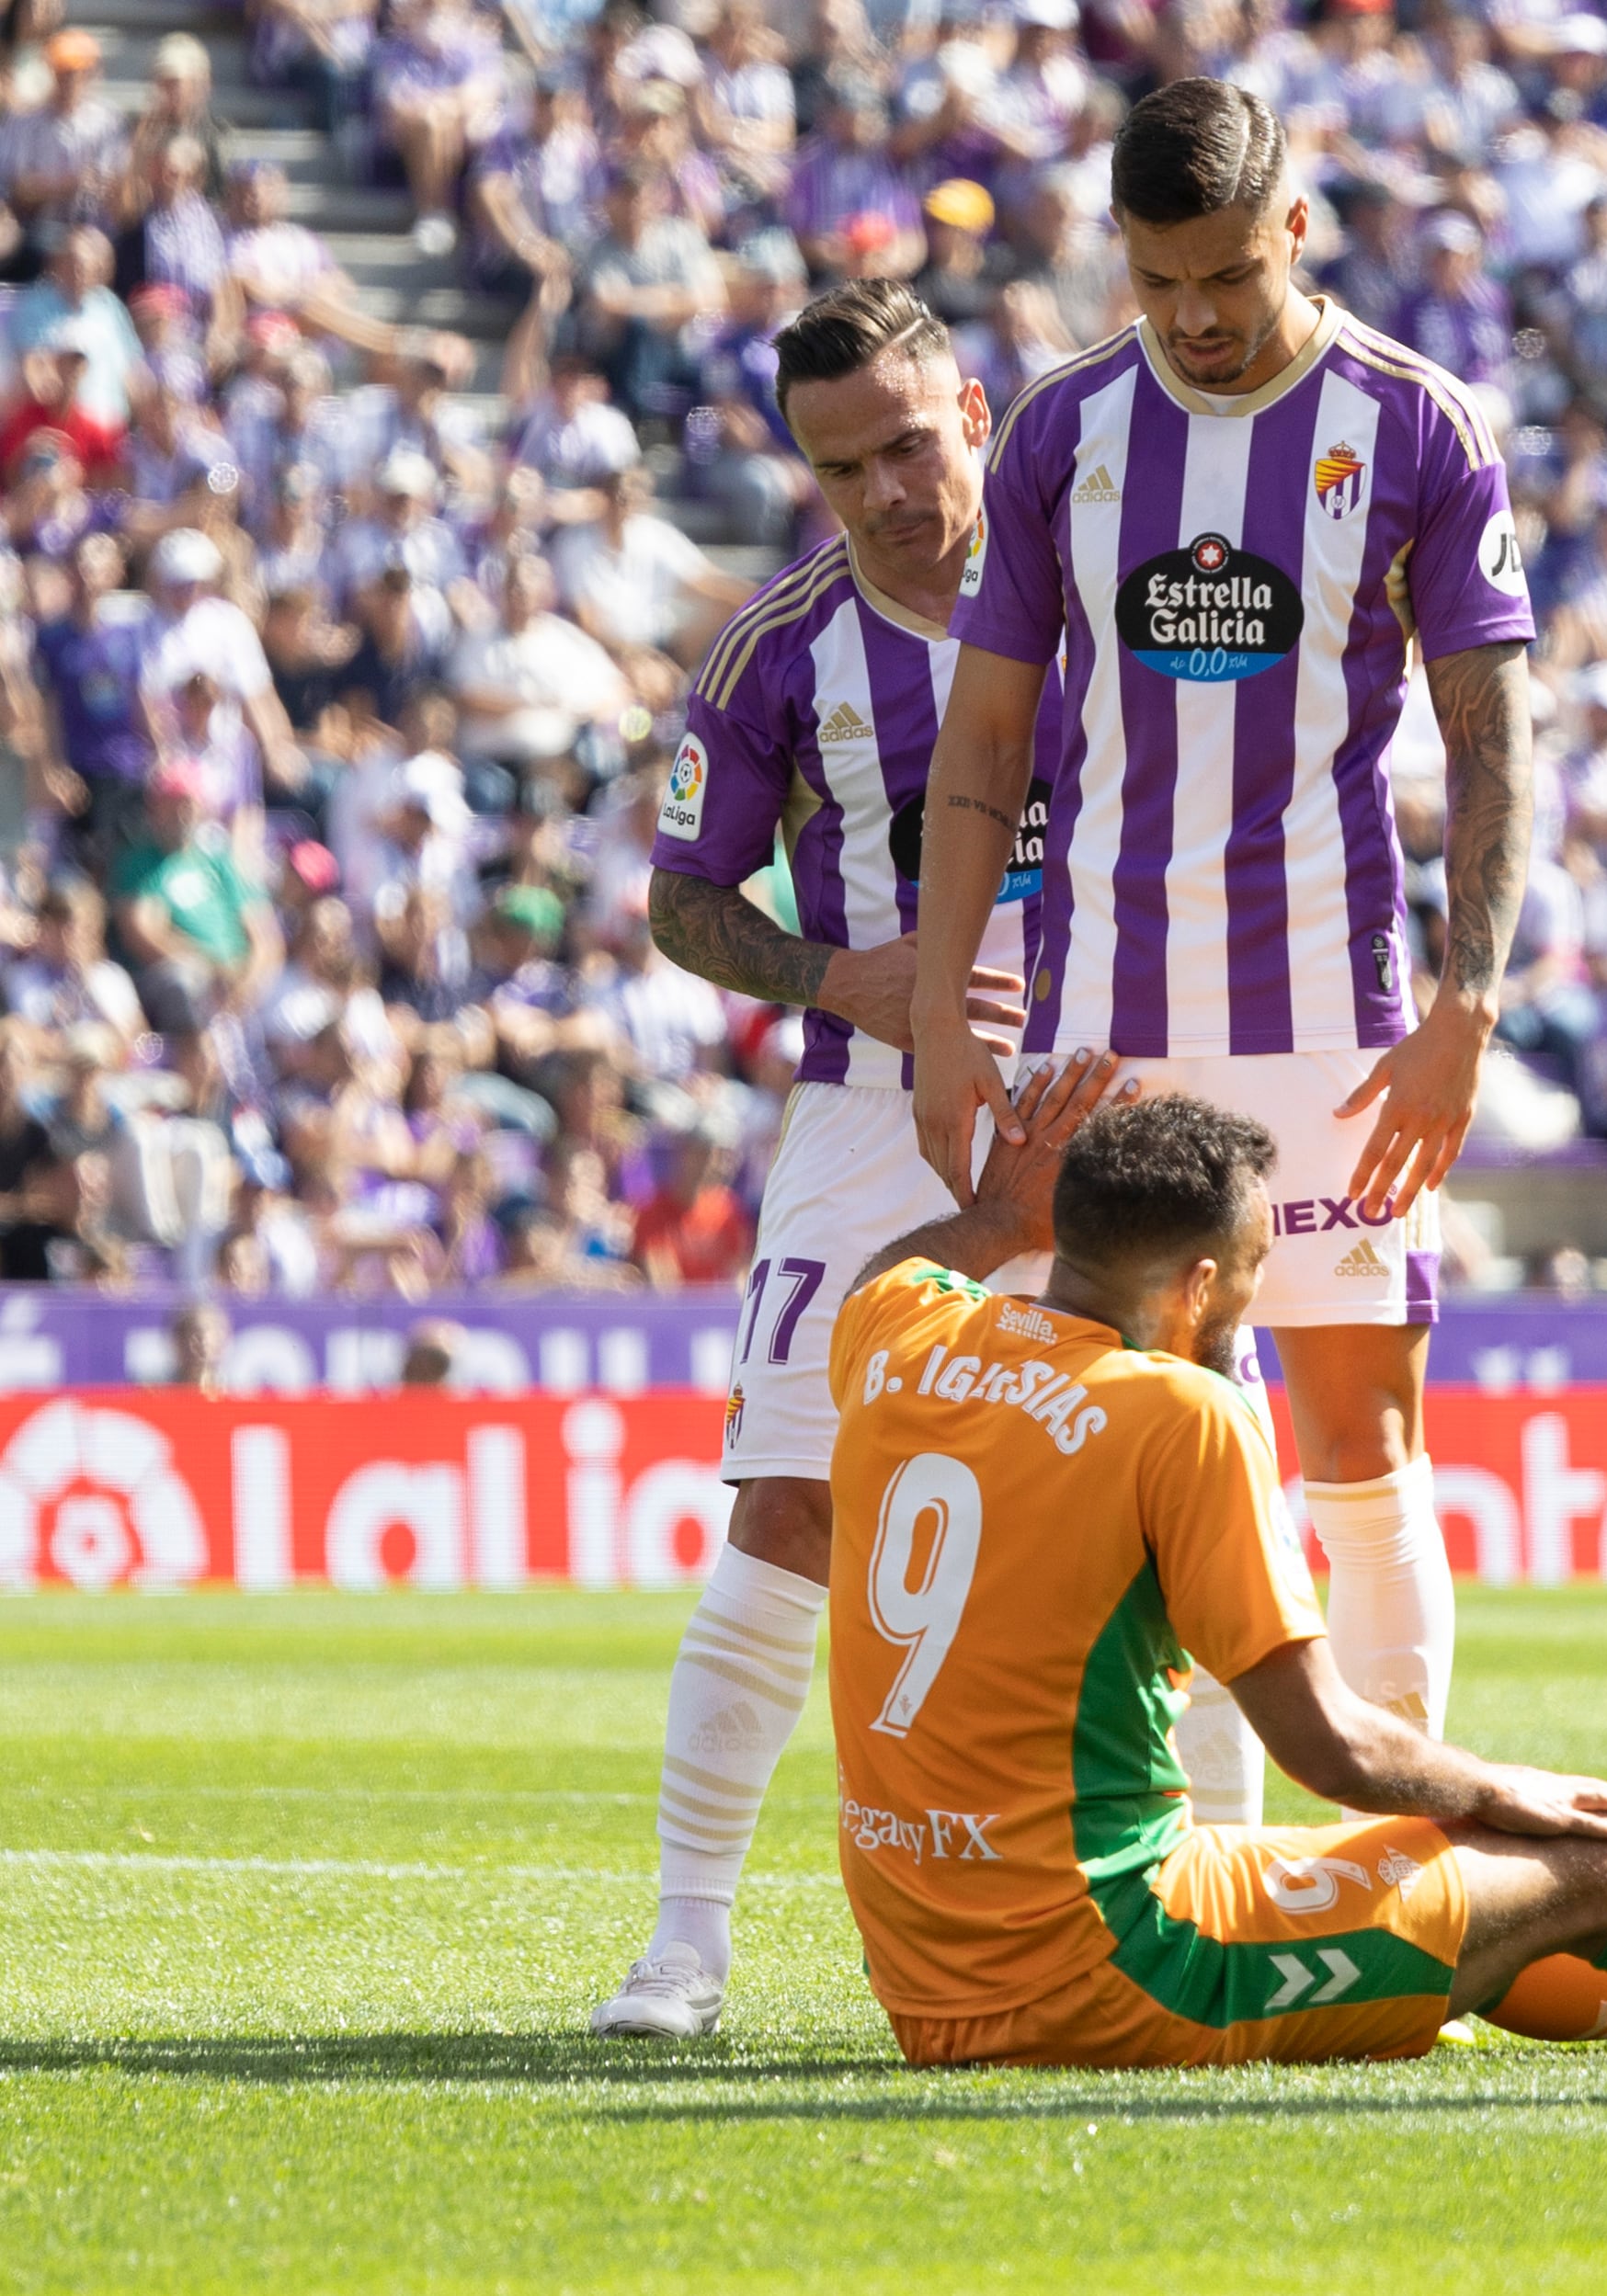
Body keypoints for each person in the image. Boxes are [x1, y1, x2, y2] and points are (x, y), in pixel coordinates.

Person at [819, 1069, 1607, 2069]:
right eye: (1252, 1284)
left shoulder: (904, 1330)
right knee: (1579, 1857)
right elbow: (1326, 1743)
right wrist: (1505, 1783)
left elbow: (883, 1275)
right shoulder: (1178, 1415)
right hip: (1106, 1969)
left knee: (1475, 1891)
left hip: (929, 1967)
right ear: (1199, 1284)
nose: (1251, 1313)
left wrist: (997, 1212)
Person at [906, 80, 1538, 1840]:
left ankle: (1405, 1868)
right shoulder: (1060, 434)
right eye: (1157, 277)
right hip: (1105, 1028)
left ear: (1297, 233)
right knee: (1148, 1452)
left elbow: (1493, 741)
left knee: (1355, 1450)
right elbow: (981, 758)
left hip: (1335, 1028)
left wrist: (1462, 1005)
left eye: (1228, 277)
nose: (1192, 315)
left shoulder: (1416, 427)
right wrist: (956, 1020)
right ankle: (1204, 1870)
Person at [592, 280, 1036, 2040]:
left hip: (1106, 1095)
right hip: (866, 1110)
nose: (881, 494)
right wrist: (826, 969)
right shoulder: (777, 648)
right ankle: (686, 1939)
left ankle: (1209, 1873)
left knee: (1186, 1475)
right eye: (840, 466)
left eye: (908, 447)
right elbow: (680, 897)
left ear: (975, 412)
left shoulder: (1098, 581)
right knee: (790, 1499)